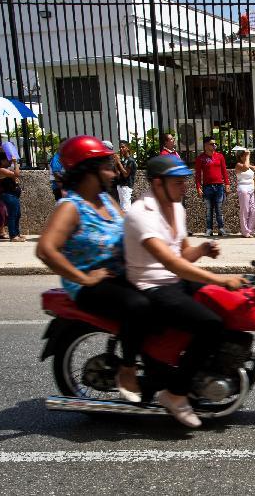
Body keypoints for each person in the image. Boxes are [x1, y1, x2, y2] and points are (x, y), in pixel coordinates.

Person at [125, 154, 247, 427]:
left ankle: (205, 369)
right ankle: (175, 393)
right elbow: (171, 263)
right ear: (158, 183)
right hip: (151, 287)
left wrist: (202, 250)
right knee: (210, 324)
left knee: (227, 304)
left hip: (174, 280)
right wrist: (220, 280)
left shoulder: (176, 207)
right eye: (178, 182)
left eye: (184, 182)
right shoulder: (140, 213)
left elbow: (182, 254)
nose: (185, 187)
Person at [35, 135, 150, 408]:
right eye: (107, 166)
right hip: (91, 284)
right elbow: (45, 250)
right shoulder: (71, 207)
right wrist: (84, 278)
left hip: (117, 275)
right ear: (88, 171)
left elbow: (132, 231)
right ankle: (127, 370)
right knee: (139, 304)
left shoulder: (106, 201)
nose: (113, 172)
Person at [194, 136, 231, 237]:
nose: (214, 145)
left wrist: (227, 184)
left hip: (219, 186)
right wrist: (198, 187)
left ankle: (221, 228)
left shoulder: (220, 156)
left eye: (215, 144)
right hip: (207, 187)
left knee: (219, 209)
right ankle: (209, 229)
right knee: (208, 209)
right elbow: (197, 175)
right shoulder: (200, 158)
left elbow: (224, 171)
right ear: (205, 145)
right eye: (211, 144)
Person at [234, 149, 255, 238]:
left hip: (251, 189)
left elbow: (254, 168)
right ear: (240, 157)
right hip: (243, 189)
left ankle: (250, 230)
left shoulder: (248, 164)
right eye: (244, 155)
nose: (246, 157)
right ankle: (245, 231)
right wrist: (247, 156)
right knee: (245, 210)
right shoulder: (238, 165)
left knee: (254, 209)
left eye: (246, 155)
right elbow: (246, 167)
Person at [0, 151, 24, 242]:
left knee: (17, 214)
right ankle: (13, 235)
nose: (10, 161)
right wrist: (15, 163)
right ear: (2, 161)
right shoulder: (1, 170)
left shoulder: (7, 169)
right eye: (8, 160)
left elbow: (16, 174)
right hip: (9, 195)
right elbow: (17, 174)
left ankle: (17, 233)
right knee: (12, 215)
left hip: (14, 195)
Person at [115, 140, 136, 212]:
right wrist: (116, 164)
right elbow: (118, 174)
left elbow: (126, 174)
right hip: (121, 186)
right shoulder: (123, 160)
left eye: (123, 147)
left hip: (126, 187)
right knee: (122, 207)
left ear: (127, 148)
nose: (121, 149)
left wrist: (118, 162)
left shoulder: (131, 160)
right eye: (120, 147)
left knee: (126, 209)